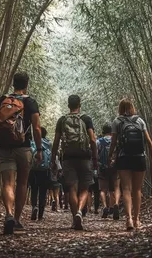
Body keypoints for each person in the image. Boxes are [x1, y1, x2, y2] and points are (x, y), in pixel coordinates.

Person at [0, 72, 42, 234]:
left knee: (8, 183)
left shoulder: (3, 99)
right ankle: (16, 219)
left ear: (13, 83)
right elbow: (37, 128)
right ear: (26, 84)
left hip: (5, 148)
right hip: (24, 148)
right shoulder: (30, 102)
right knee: (22, 184)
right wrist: (39, 149)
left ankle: (8, 214)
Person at [108, 98, 152, 231]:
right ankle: (137, 219)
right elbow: (149, 142)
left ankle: (128, 219)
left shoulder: (117, 121)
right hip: (139, 157)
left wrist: (110, 156)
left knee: (126, 189)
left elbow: (113, 142)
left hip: (124, 158)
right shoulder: (140, 121)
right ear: (132, 107)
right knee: (137, 189)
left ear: (120, 108)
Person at [51, 95, 98, 230]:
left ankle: (74, 218)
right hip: (84, 156)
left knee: (72, 188)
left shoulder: (62, 120)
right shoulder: (86, 119)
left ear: (68, 105)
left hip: (68, 157)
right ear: (80, 104)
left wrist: (53, 159)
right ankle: (79, 212)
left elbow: (56, 141)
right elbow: (93, 140)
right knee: (84, 188)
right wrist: (95, 158)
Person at [97, 123, 120, 220]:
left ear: (103, 131)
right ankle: (116, 204)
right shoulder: (116, 141)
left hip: (103, 167)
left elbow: (95, 154)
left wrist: (96, 163)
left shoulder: (98, 141)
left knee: (103, 190)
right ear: (111, 131)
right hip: (115, 167)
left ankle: (105, 206)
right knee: (116, 188)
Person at [29, 127, 51, 221]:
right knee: (43, 192)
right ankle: (41, 214)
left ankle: (34, 206)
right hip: (45, 170)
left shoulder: (32, 143)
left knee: (34, 189)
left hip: (34, 169)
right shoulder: (49, 143)